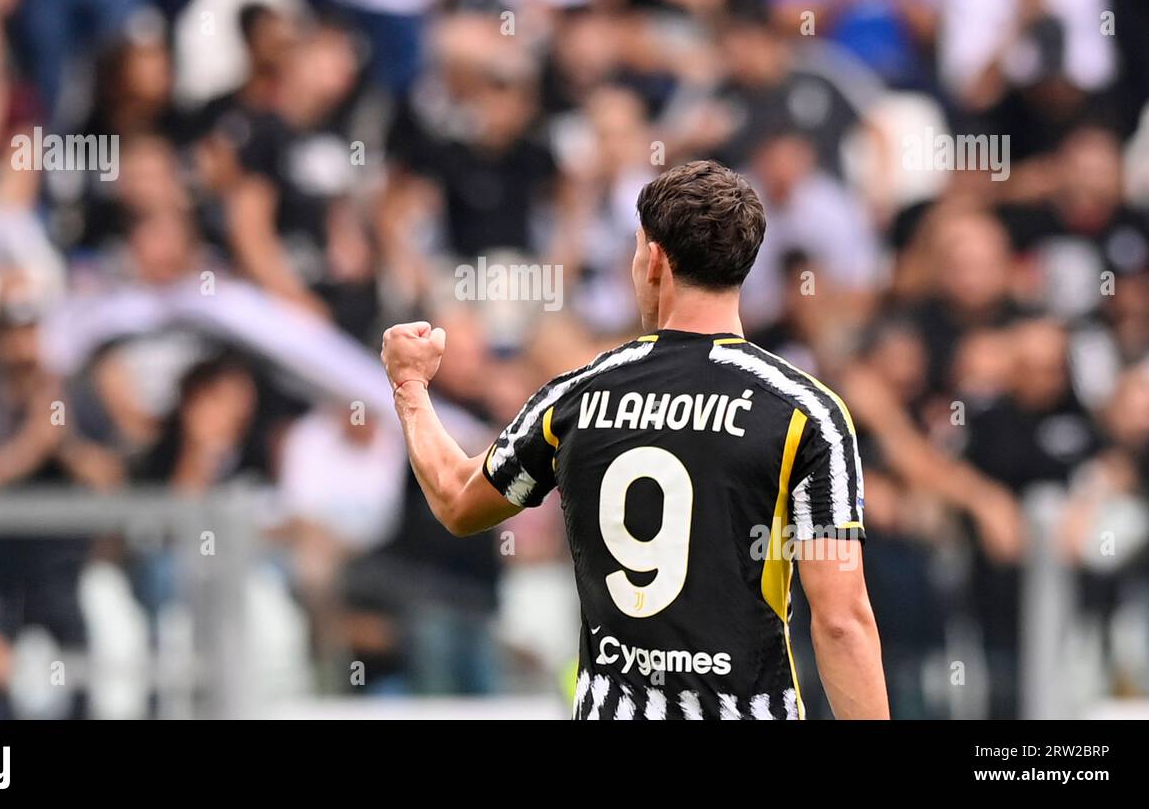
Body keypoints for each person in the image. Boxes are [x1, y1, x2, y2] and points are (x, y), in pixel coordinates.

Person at [381, 160, 889, 720]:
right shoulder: (803, 412)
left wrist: (410, 386)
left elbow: (457, 500)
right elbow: (842, 620)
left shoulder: (578, 397)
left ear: (654, 261)